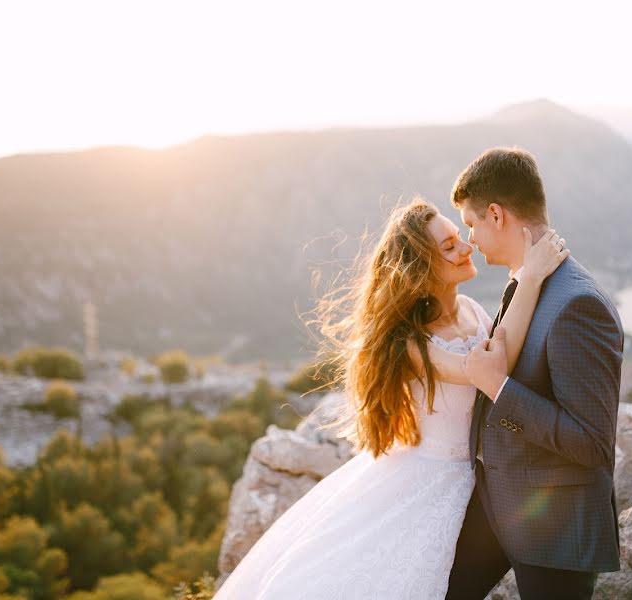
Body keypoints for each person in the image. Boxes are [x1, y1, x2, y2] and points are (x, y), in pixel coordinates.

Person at [213, 195, 568, 599]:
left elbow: (505, 350)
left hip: (472, 474)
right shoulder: (412, 343)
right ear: (420, 271)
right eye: (449, 246)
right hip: (426, 478)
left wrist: (527, 277)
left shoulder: (470, 309)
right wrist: (530, 277)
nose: (466, 247)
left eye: (459, 237)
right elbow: (487, 369)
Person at [444, 147, 624, 600]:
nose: (470, 240)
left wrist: (498, 389)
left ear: (497, 215)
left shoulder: (577, 305)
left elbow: (592, 442)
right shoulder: (528, 281)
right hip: (499, 504)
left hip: (556, 530)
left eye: (471, 224)